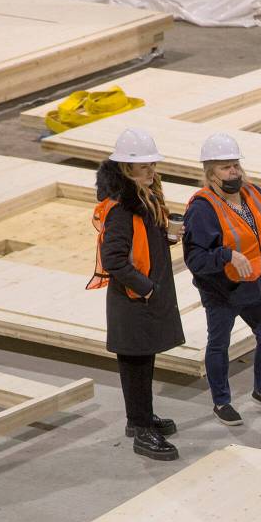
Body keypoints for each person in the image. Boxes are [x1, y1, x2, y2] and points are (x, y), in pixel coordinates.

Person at [90, 127, 185, 460]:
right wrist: (146, 288)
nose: (151, 171)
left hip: (145, 297)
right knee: (135, 362)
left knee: (145, 360)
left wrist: (170, 238)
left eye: (152, 165)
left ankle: (141, 418)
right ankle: (141, 429)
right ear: (126, 168)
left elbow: (143, 246)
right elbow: (114, 259)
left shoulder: (144, 198)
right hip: (132, 300)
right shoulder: (121, 209)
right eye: (143, 166)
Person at [182, 132, 261, 426]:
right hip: (223, 291)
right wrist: (227, 257)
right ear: (210, 173)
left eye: (235, 165)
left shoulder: (253, 193)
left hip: (258, 284)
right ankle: (221, 402)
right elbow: (195, 259)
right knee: (219, 345)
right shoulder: (203, 208)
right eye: (226, 167)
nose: (234, 172)